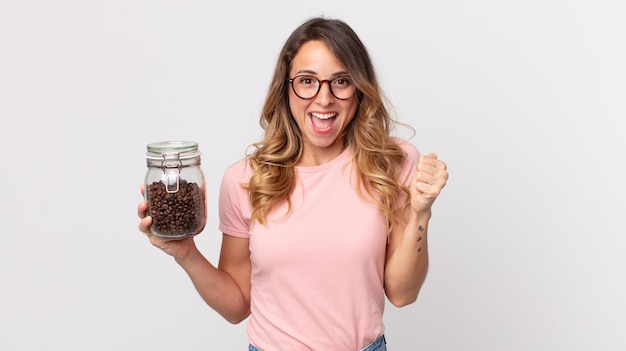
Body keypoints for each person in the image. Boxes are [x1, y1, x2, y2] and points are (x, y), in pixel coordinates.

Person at [137, 17, 448, 351]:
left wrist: (420, 212)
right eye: (307, 81)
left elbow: (403, 293)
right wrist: (186, 254)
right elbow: (238, 305)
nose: (324, 99)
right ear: (286, 89)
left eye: (340, 81)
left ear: (359, 89)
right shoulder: (246, 179)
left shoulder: (390, 163)